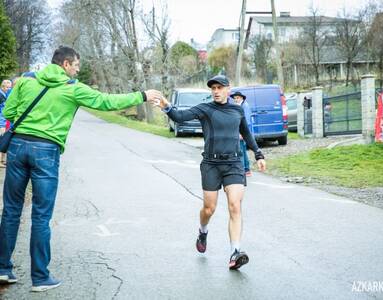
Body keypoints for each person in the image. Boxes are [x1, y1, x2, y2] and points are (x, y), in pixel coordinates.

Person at [0, 46, 163, 292]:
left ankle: (3, 269)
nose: (77, 70)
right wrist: (142, 95)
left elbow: (9, 112)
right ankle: (40, 277)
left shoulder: (24, 82)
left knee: (11, 211)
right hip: (46, 151)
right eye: (76, 65)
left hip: (17, 147)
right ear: (66, 64)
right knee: (41, 216)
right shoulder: (72, 88)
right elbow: (107, 102)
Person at [154, 75, 266, 270]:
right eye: (213, 88)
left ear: (228, 89)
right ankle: (203, 230)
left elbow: (246, 133)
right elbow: (180, 117)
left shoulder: (237, 110)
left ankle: (235, 252)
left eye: (219, 87)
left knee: (235, 206)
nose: (215, 91)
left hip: (233, 163)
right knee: (209, 208)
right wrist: (167, 106)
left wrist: (258, 154)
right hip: (211, 164)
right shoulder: (205, 109)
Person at [231, 91, 253, 176]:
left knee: (240, 151)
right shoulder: (239, 106)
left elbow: (246, 121)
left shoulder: (244, 106)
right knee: (243, 150)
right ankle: (247, 170)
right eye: (235, 98)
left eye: (238, 98)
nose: (236, 100)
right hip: (240, 132)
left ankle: (242, 170)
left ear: (242, 98)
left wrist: (242, 134)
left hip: (242, 132)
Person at [0, 80, 12, 167]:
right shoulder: (1, 96)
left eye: (10, 87)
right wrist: (2, 125)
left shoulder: (5, 95)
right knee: (1, 141)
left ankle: (2, 160)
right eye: (7, 87)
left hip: (4, 121)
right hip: (1, 122)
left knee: (3, 140)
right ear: (3, 87)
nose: (9, 89)